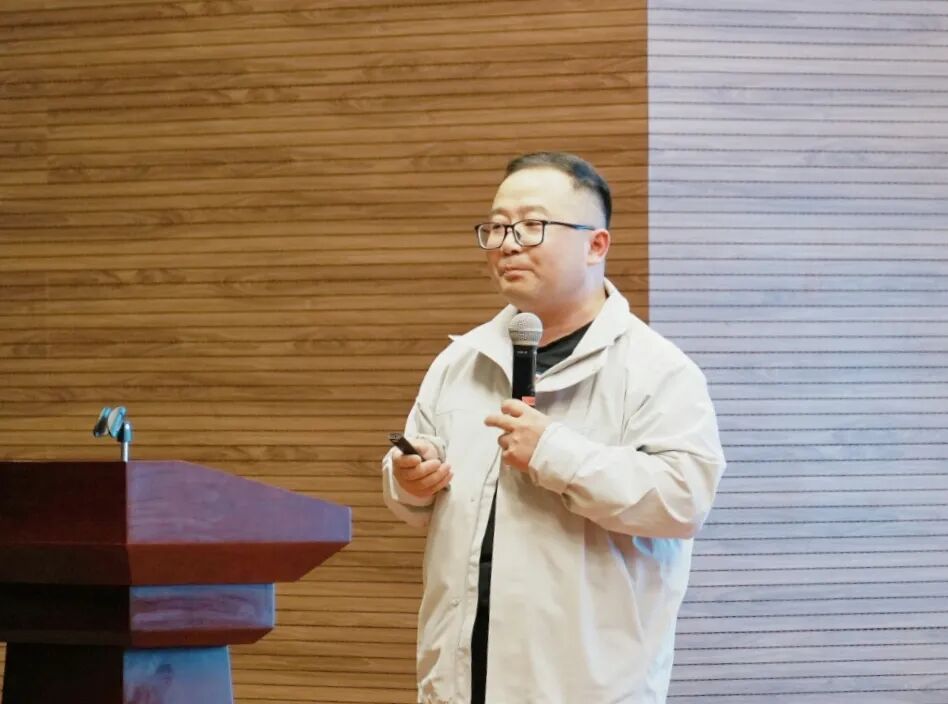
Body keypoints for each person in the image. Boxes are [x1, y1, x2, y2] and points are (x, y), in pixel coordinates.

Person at [381, 152, 726, 704]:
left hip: (584, 686)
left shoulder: (657, 370)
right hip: (458, 682)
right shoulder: (460, 361)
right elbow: (422, 500)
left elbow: (683, 500)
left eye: (531, 226)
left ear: (596, 245)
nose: (508, 244)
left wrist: (555, 453)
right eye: (497, 227)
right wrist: (410, 479)